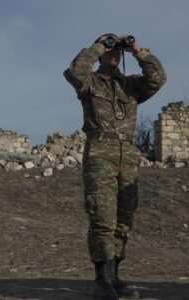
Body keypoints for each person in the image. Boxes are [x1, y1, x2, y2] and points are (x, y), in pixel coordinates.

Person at [63, 34, 166, 299]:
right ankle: (103, 279)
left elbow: (158, 78)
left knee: (124, 219)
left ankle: (115, 275)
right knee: (102, 217)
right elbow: (75, 71)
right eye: (109, 50)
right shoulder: (90, 82)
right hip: (100, 154)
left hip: (128, 156)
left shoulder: (131, 86)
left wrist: (137, 50)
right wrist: (98, 44)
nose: (113, 53)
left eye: (115, 50)